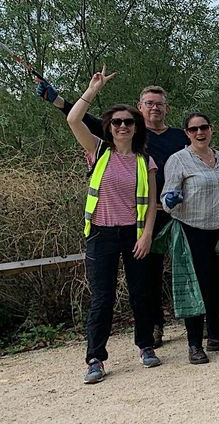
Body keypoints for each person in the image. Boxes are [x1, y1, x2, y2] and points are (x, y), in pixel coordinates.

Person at [38, 81, 187, 347]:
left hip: (173, 215)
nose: (154, 108)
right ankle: (151, 329)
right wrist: (59, 100)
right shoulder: (114, 141)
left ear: (166, 108)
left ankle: (196, 324)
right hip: (131, 222)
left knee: (184, 270)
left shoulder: (178, 137)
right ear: (139, 109)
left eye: (159, 104)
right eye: (149, 103)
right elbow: (82, 120)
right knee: (144, 281)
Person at [65, 67, 160, 384]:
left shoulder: (145, 161)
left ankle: (146, 346)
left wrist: (147, 234)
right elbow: (73, 119)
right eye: (117, 122)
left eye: (128, 122)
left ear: (137, 127)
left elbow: (150, 205)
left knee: (140, 295)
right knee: (102, 298)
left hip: (133, 235)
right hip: (101, 235)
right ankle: (95, 358)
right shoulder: (97, 150)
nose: (122, 126)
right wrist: (92, 90)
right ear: (109, 126)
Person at [160, 112, 219, 363]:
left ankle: (217, 335)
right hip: (192, 230)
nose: (200, 132)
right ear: (186, 133)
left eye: (204, 127)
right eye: (193, 129)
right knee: (196, 287)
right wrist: (170, 200)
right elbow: (167, 196)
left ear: (211, 129)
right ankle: (194, 343)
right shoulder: (178, 160)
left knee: (218, 285)